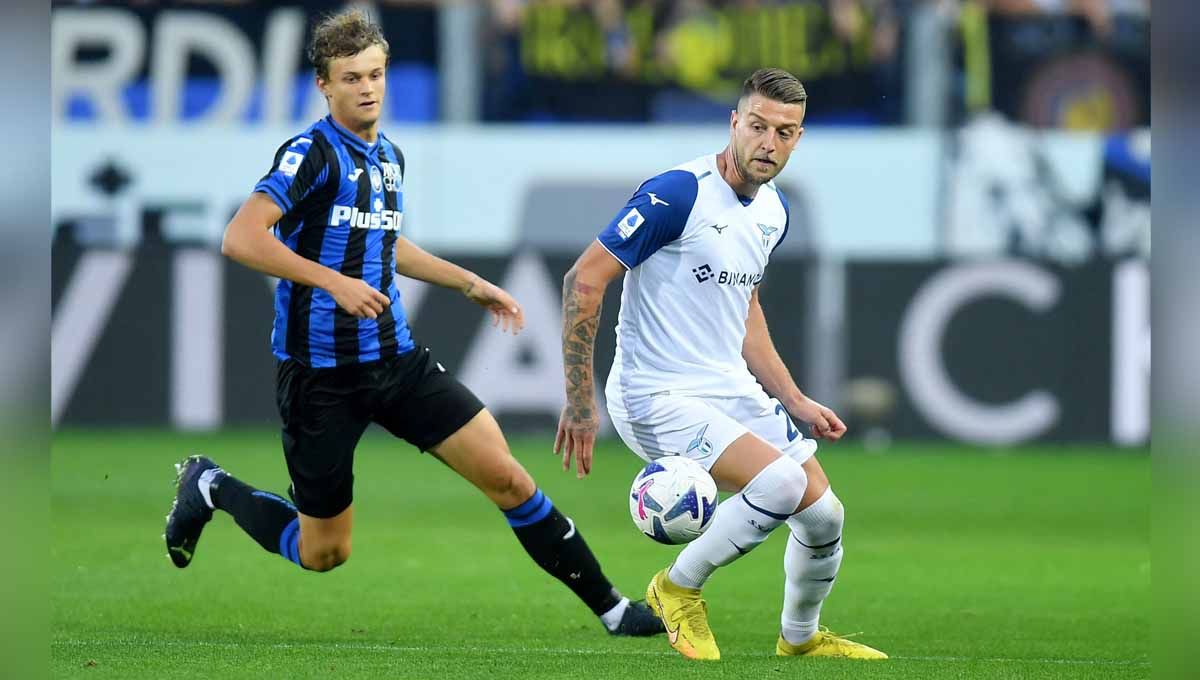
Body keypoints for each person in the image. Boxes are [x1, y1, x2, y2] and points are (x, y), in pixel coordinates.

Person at [163, 8, 662, 638]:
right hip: (321, 376)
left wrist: (468, 283)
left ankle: (614, 611)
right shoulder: (309, 154)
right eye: (351, 78)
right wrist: (333, 281)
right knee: (324, 552)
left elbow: (385, 243)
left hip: (397, 361)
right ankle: (210, 485)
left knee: (508, 476)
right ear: (324, 84)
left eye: (375, 74)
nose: (367, 88)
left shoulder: (390, 155)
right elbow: (240, 237)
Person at [554, 67, 887, 660]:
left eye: (784, 133)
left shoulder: (772, 213)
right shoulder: (676, 194)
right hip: (654, 394)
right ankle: (676, 587)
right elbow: (584, 280)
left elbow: (745, 309)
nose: (769, 143)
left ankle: (801, 638)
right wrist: (580, 402)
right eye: (758, 127)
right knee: (780, 484)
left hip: (725, 387)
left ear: (798, 138)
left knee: (824, 516)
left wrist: (794, 399)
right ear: (734, 123)